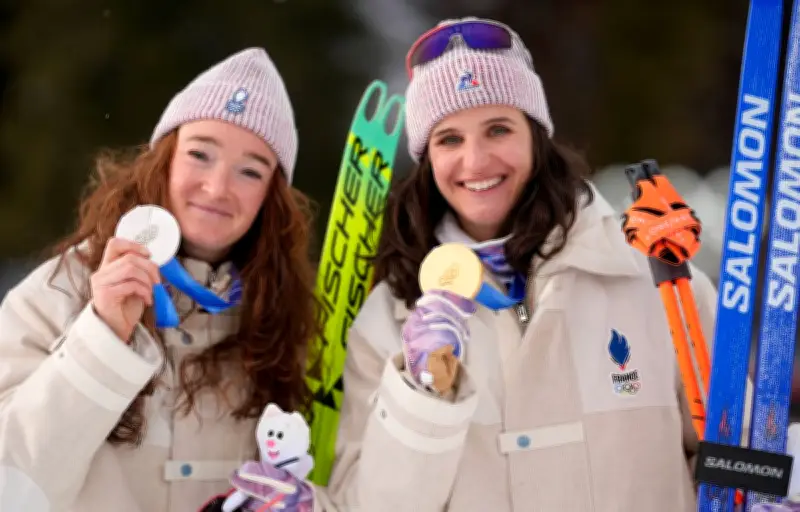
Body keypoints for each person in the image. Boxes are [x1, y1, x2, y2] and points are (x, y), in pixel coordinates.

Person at [325, 17, 727, 511]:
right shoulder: (391, 317)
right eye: (448, 139)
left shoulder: (650, 274)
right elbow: (369, 506)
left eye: (498, 129)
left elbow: (733, 450)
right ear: (427, 159)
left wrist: (774, 490)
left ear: (536, 137)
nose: (475, 162)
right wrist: (421, 397)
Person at [0, 48, 324, 511]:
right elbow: (12, 488)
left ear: (271, 196)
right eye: (200, 154)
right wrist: (102, 333)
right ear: (164, 160)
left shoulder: (282, 316)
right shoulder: (62, 289)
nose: (217, 187)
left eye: (250, 170)